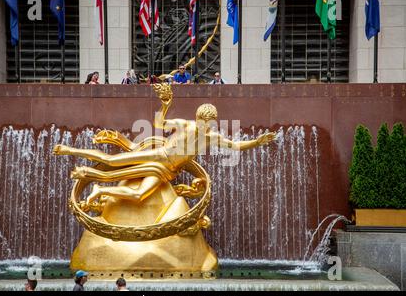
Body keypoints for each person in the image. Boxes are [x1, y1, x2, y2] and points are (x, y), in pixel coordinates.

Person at [53, 84, 277, 206]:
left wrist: (257, 142)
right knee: (111, 161)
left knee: (140, 195)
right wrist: (165, 105)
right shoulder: (184, 125)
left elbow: (235, 146)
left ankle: (99, 189)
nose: (207, 125)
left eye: (210, 122)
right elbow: (159, 123)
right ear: (198, 119)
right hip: (157, 155)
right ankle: (70, 150)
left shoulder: (211, 138)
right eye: (204, 121)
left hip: (167, 172)